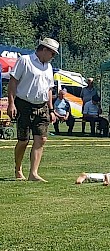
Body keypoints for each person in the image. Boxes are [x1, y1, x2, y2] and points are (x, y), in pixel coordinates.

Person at [7, 37, 59, 182]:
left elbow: (49, 89)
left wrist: (51, 109)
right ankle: (18, 169)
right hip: (23, 104)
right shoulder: (25, 61)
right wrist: (11, 103)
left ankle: (33, 173)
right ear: (44, 49)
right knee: (23, 141)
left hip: (42, 106)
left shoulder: (48, 67)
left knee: (41, 139)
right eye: (52, 53)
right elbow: (13, 82)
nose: (53, 57)